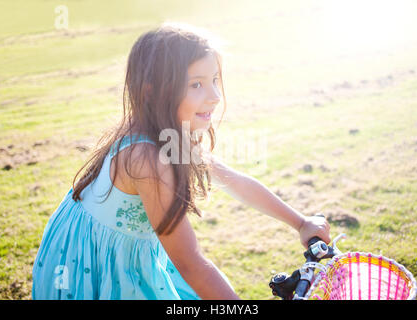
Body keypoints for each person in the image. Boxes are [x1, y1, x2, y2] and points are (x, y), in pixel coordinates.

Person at [32, 22, 331, 300]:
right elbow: (193, 266)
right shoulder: (147, 160)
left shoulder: (165, 133)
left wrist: (301, 222)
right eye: (196, 84)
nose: (214, 95)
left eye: (214, 80)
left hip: (118, 251)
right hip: (90, 265)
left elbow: (234, 180)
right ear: (153, 91)